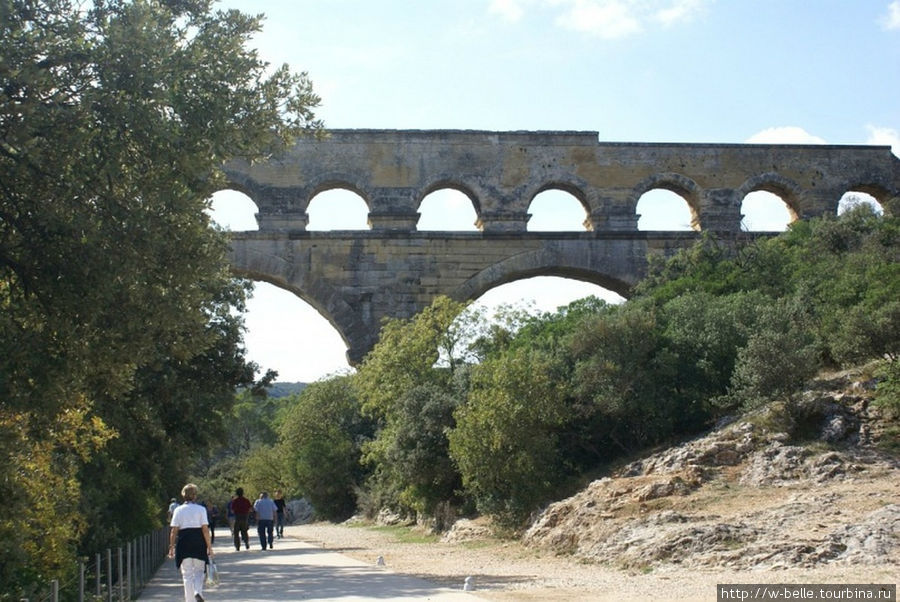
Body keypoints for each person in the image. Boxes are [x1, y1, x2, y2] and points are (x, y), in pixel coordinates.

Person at [168, 483, 213, 602]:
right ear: (195, 496)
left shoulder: (178, 510)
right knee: (199, 570)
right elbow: (205, 530)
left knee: (187, 574)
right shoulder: (201, 509)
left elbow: (174, 530)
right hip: (198, 541)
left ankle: (190, 600)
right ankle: (197, 591)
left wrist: (171, 547)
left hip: (184, 542)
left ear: (183, 495)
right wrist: (209, 546)